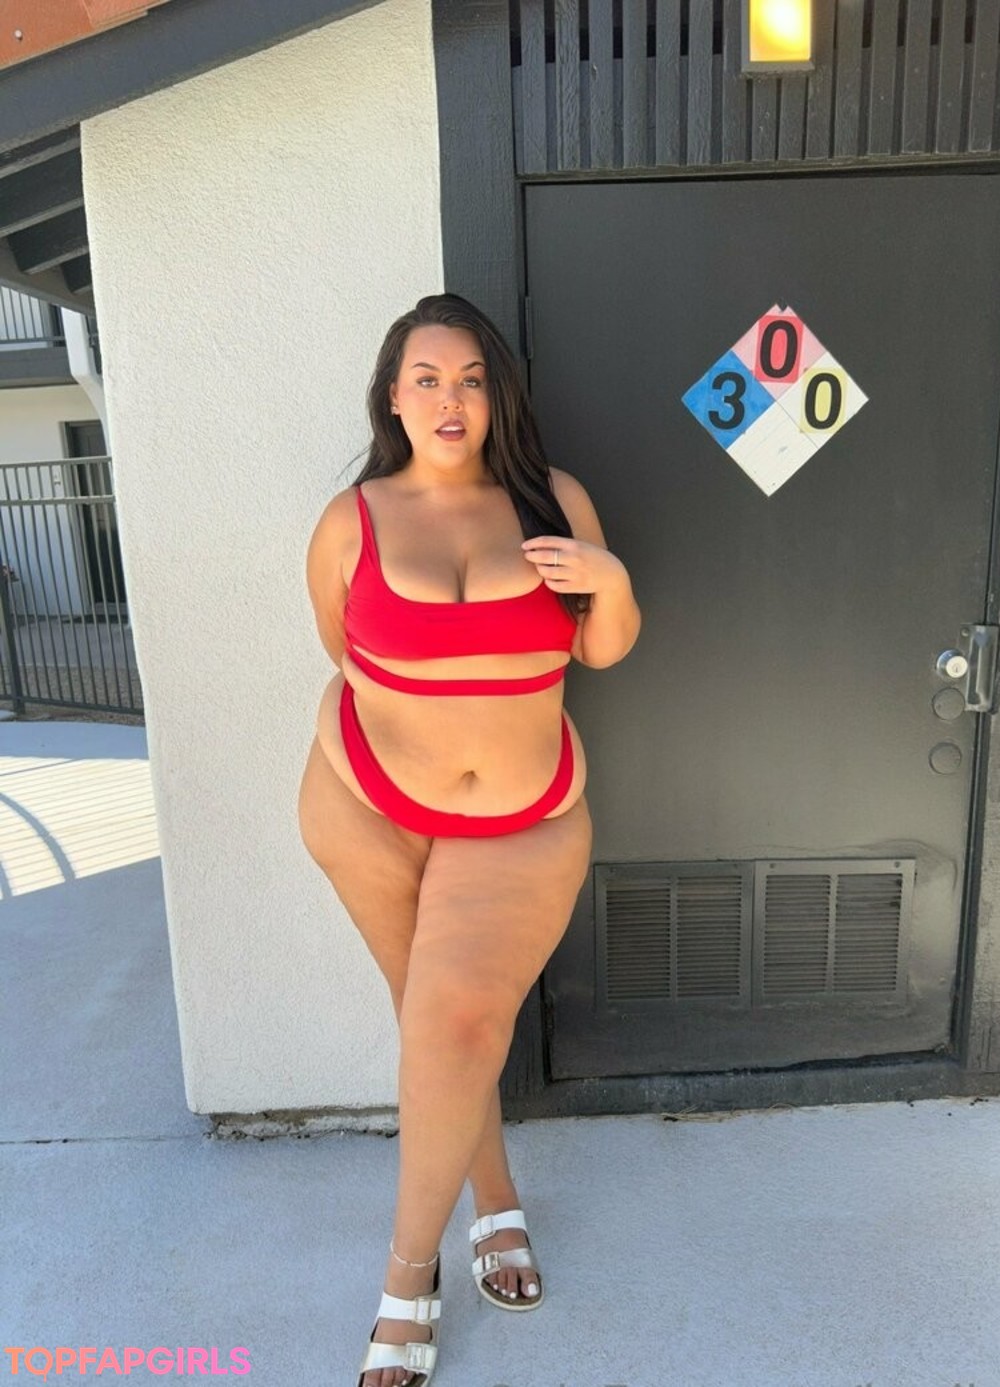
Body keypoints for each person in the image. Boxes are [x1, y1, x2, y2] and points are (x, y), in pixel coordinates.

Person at [297, 291, 641, 1387]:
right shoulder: (349, 520)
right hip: (367, 805)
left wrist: (613, 582)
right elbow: (344, 650)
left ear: (498, 396)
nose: (451, 399)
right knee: (436, 1031)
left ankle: (408, 1278)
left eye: (472, 379)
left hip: (521, 819)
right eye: (428, 379)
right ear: (394, 398)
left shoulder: (552, 499)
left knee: (452, 1023)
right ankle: (494, 1203)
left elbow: (602, 650)